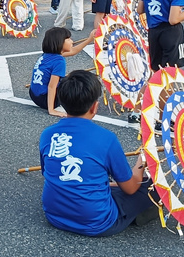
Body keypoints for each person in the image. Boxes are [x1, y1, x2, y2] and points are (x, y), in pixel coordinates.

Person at [38, 70, 158, 237]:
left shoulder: (47, 134)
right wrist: (141, 163)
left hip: (54, 215)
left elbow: (48, 173)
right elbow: (131, 188)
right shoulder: (106, 139)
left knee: (101, 181)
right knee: (154, 186)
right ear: (94, 107)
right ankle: (136, 215)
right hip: (97, 221)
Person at [29, 27, 96, 117]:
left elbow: (73, 51)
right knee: (74, 81)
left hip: (33, 94)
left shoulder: (48, 55)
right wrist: (51, 110)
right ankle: (60, 105)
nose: (71, 41)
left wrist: (89, 40)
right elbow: (51, 86)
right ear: (59, 42)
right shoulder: (59, 61)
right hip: (44, 99)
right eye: (68, 39)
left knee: (63, 78)